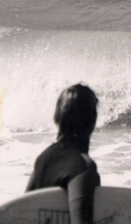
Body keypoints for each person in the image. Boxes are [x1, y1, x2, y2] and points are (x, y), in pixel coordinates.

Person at [26, 84, 100, 224]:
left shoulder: (43, 159)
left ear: (57, 118)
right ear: (92, 121)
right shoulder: (83, 167)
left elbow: (23, 211)